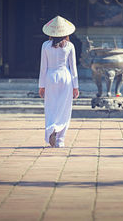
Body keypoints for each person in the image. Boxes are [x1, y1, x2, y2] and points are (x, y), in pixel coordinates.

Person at [38, 16, 79, 148]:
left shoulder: (45, 45)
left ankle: (51, 128)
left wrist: (41, 86)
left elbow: (43, 67)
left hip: (50, 77)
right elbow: (73, 68)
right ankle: (60, 139)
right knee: (65, 108)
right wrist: (76, 86)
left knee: (50, 107)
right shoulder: (69, 46)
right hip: (66, 78)